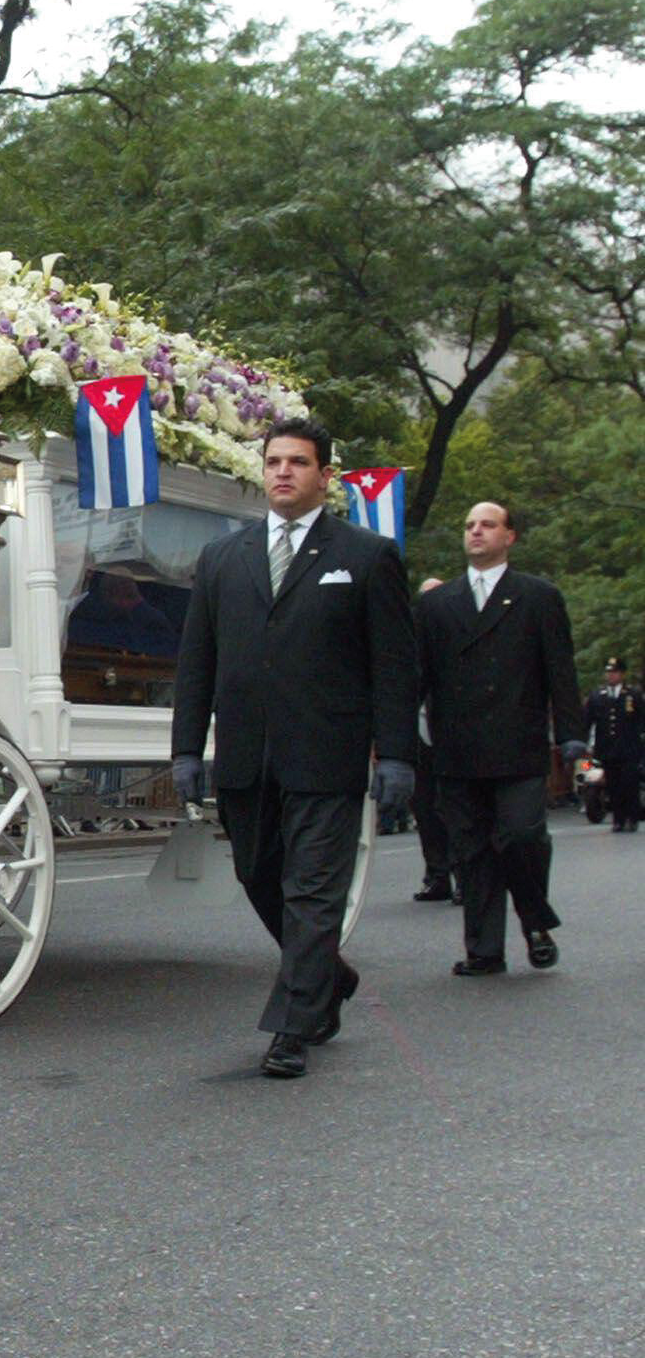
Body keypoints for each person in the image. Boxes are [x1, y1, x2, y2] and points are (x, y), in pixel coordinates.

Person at [171, 418, 415, 1080]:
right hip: (247, 756)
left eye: (299, 462)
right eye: (275, 460)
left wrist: (396, 754)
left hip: (328, 753)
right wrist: (186, 749)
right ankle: (326, 976)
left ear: (324, 475)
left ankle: (292, 1026)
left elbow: (394, 664)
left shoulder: (367, 556)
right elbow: (198, 660)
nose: (284, 472)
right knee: (260, 876)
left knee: (311, 891)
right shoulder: (225, 558)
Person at [418, 502, 585, 976]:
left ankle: (534, 919)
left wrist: (571, 735)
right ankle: (484, 950)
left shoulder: (537, 596)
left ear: (509, 536)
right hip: (457, 748)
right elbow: (417, 675)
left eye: (488, 525)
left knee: (519, 835)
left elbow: (560, 670)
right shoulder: (436, 604)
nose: (476, 532)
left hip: (518, 743)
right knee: (470, 850)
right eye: (469, 525)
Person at [409, 580, 458, 902]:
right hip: (419, 737)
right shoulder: (411, 640)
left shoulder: (459, 636)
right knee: (425, 810)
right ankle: (437, 875)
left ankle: (466, 876)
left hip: (453, 738)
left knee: (455, 811)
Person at [586, 655, 642, 833]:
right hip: (607, 750)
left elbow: (641, 719)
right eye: (608, 672)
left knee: (629, 784)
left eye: (615, 672)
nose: (610, 676)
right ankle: (618, 820)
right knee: (613, 785)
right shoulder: (597, 696)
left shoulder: (633, 694)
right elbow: (587, 721)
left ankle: (632, 818)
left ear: (622, 674)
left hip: (629, 749)